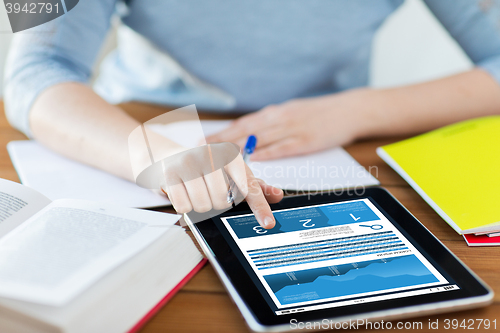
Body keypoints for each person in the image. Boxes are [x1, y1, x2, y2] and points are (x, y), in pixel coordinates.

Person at [5, 0, 500, 229]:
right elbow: (31, 70)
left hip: (331, 147)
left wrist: (360, 109)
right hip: (130, 128)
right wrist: (152, 152)